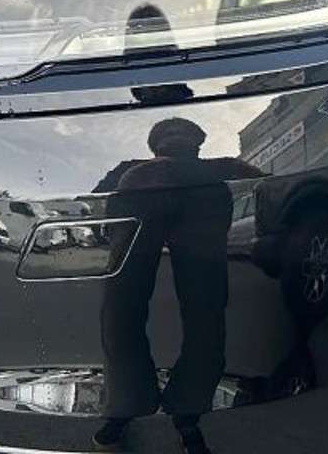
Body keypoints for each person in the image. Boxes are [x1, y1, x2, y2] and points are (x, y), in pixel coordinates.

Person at [93, 117, 262, 453]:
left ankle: (130, 407)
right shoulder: (214, 169)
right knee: (204, 311)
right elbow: (260, 177)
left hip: (145, 191)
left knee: (123, 311)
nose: (176, 139)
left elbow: (95, 200)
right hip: (200, 194)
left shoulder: (132, 168)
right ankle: (182, 410)